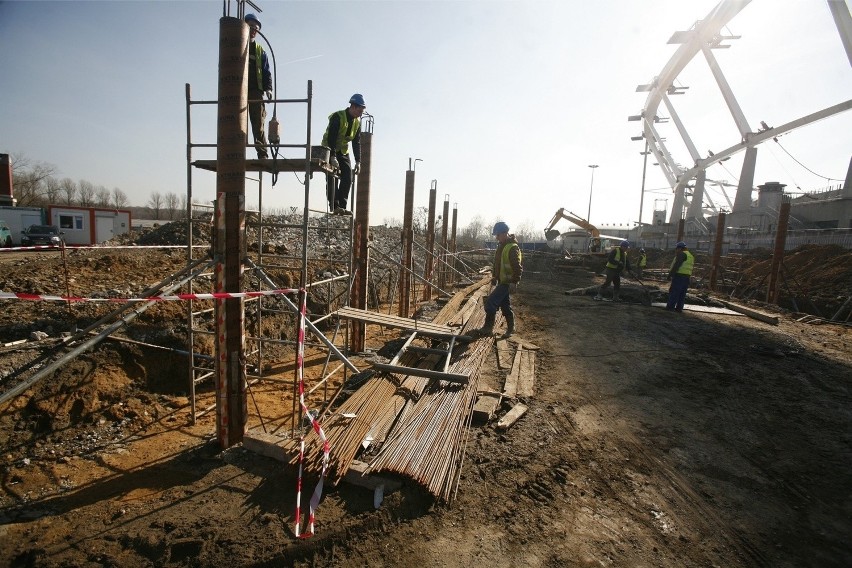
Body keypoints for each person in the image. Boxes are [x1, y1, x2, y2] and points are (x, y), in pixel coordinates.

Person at [471, 222, 523, 338]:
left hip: (507, 283)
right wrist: (495, 277)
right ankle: (511, 328)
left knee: (490, 302)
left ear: (505, 233)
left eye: (498, 235)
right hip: (502, 281)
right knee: (505, 306)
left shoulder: (512, 248)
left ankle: (487, 328)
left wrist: (514, 282)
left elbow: (518, 267)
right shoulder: (502, 246)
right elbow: (498, 265)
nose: (496, 237)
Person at [322, 94, 365, 215]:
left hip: (343, 151)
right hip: (328, 148)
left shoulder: (357, 122)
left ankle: (342, 206)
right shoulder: (338, 117)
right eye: (360, 110)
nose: (361, 114)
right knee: (332, 176)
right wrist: (332, 156)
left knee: (347, 177)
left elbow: (356, 142)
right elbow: (332, 137)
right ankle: (334, 206)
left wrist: (358, 161)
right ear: (353, 106)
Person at [245, 14, 273, 159]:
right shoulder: (235, 44)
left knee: (258, 123)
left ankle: (262, 153)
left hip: (255, 91)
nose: (254, 30)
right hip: (237, 90)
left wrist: (268, 89)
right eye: (251, 26)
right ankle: (235, 152)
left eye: (256, 28)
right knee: (235, 123)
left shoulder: (260, 51)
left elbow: (267, 72)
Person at [666, 241, 694, 312]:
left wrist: (670, 275)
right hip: (687, 277)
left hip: (679, 276)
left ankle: (670, 307)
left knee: (674, 291)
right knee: (682, 293)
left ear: (680, 248)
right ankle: (679, 308)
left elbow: (676, 265)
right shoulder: (690, 255)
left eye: (677, 249)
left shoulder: (682, 254)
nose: (676, 251)